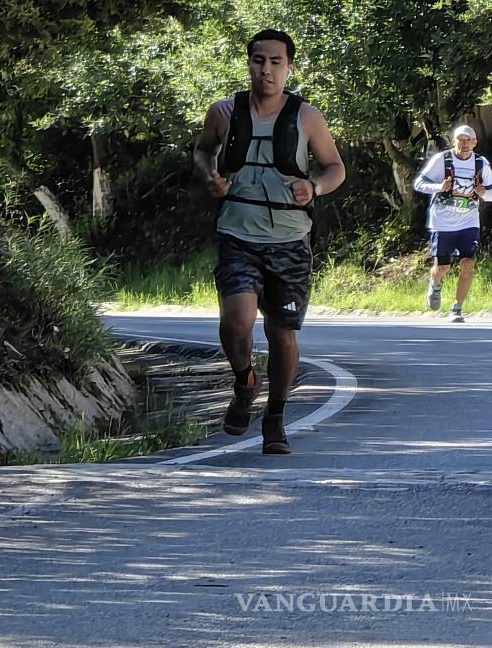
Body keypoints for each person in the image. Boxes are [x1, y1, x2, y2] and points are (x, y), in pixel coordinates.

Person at [192, 29, 345, 454]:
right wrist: (211, 176)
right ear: (249, 63)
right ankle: (244, 382)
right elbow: (203, 151)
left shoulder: (306, 116)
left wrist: (314, 187)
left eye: (277, 62)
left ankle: (275, 414)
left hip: (290, 241)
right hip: (237, 233)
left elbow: (335, 168)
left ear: (290, 66)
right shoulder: (224, 112)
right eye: (260, 61)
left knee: (282, 332)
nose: (267, 70)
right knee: (236, 323)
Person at [414, 124, 492, 322]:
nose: (465, 143)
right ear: (454, 142)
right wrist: (439, 187)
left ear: (475, 143)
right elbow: (419, 184)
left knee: (468, 264)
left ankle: (457, 308)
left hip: (468, 221)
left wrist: (484, 193)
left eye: (469, 140)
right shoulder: (442, 160)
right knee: (442, 268)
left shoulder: (480, 163)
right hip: (442, 222)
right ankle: (435, 284)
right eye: (461, 140)